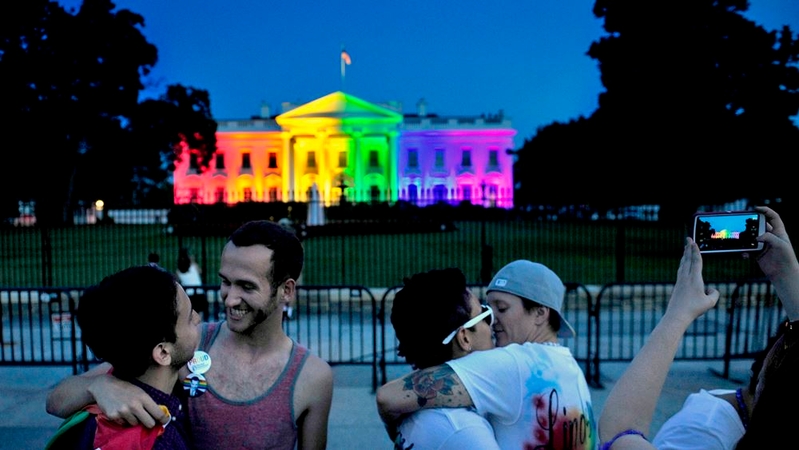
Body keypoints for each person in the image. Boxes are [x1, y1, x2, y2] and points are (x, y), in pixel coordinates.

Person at [47, 220, 334, 450]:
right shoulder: (189, 342)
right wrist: (100, 386)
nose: (229, 299)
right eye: (225, 282)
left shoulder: (313, 377)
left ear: (286, 290)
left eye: (246, 287)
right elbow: (56, 400)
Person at [598, 206, 799, 450]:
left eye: (789, 333)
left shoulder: (703, 434)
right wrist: (786, 275)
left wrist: (677, 315)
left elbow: (619, 430)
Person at [377, 259, 597, 449]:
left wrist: (398, 430)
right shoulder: (565, 365)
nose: (493, 320)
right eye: (486, 309)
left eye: (501, 309)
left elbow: (389, 398)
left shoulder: (516, 364)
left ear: (540, 313)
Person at [46, 265, 201, 449]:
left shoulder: (117, 379)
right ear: (163, 352)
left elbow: (55, 399)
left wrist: (97, 385)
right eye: (190, 317)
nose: (199, 319)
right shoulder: (156, 441)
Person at [389, 268, 500, 450]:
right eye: (484, 315)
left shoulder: (416, 406)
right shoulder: (463, 431)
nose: (493, 324)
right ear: (464, 338)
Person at [175, 247, 208, 319]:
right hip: (199, 293)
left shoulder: (178, 271)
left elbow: (177, 281)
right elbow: (201, 272)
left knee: (191, 315)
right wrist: (193, 261)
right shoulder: (194, 266)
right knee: (200, 314)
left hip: (189, 295)